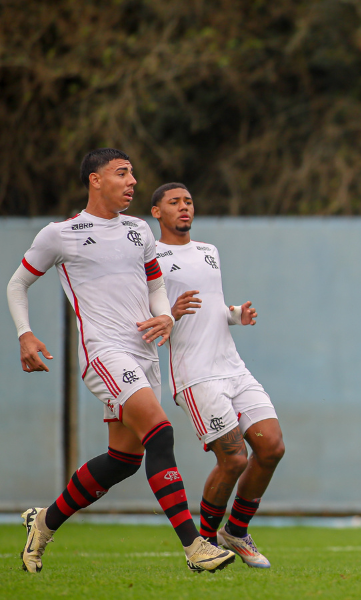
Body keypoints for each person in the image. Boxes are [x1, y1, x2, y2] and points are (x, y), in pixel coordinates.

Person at [6, 149, 234, 573]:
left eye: (132, 174)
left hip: (144, 353)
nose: (132, 181)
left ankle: (44, 521)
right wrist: (25, 334)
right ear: (95, 180)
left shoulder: (138, 230)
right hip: (105, 353)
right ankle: (196, 548)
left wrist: (164, 314)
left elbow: (155, 284)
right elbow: (17, 284)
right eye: (121, 173)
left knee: (123, 460)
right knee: (160, 432)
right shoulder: (61, 233)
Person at [151, 182, 285, 568]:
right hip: (195, 375)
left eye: (189, 201)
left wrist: (234, 314)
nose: (184, 208)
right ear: (157, 212)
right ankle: (204, 545)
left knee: (272, 447)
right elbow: (148, 316)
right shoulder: (151, 257)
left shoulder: (209, 252)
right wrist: (169, 312)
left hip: (232, 366)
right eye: (174, 202)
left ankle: (236, 531)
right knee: (234, 459)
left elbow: (209, 306)